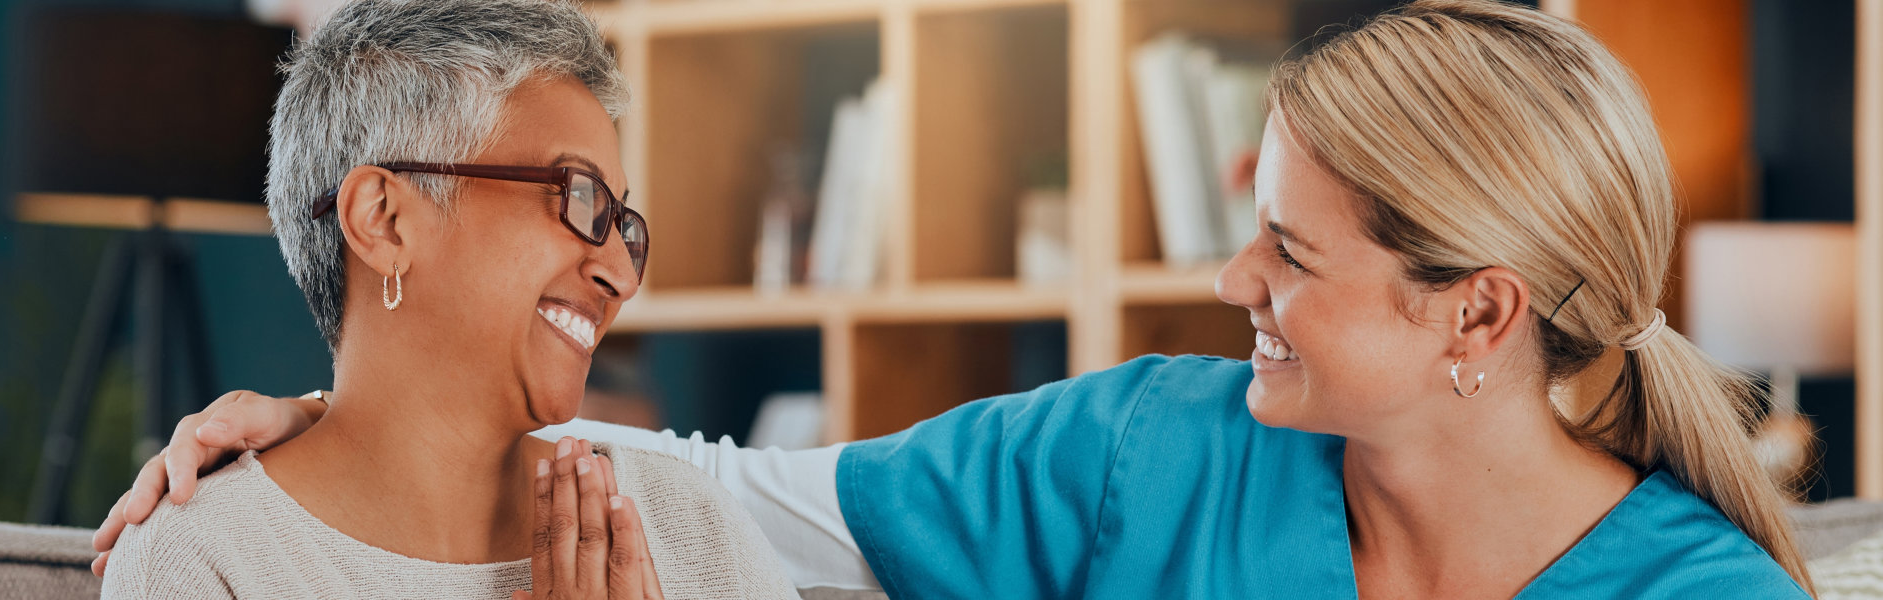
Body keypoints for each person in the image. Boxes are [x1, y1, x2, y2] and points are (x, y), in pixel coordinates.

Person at [96, 1, 1814, 597]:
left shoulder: (1701, 599)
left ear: (1480, 317)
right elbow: (732, 492)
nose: (1233, 286)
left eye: (1292, 253)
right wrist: (352, 424)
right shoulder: (1154, 448)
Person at [95, 0, 798, 598]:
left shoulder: (692, 525)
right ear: (384, 220)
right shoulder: (203, 563)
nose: (621, 272)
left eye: (623, 224)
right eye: (578, 197)